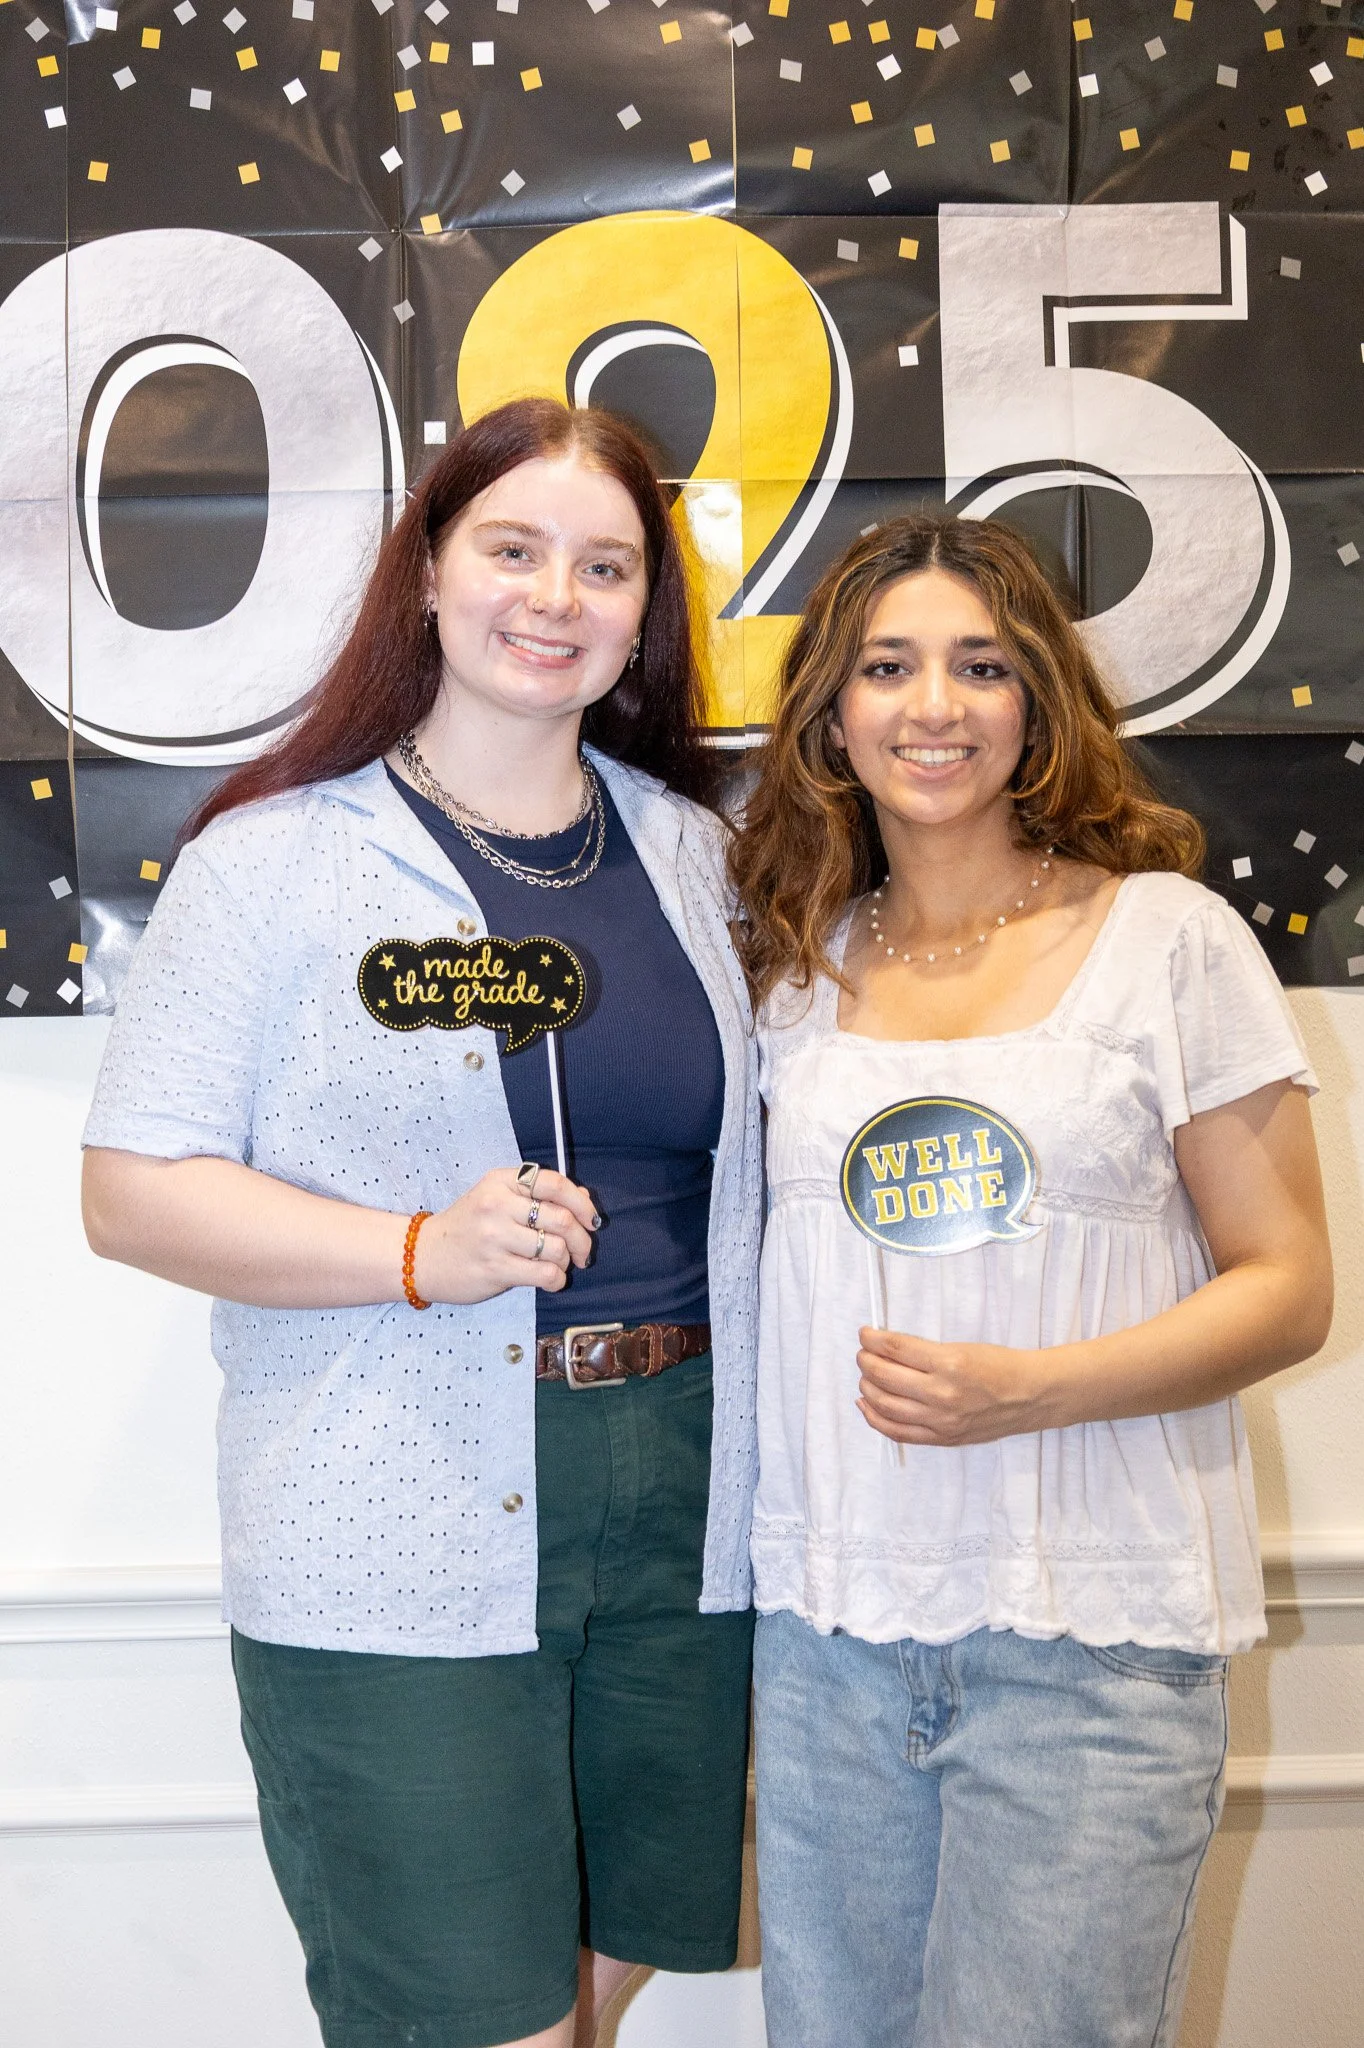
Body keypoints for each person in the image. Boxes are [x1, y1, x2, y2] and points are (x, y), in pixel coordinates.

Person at [81, 398, 762, 2048]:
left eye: (606, 566)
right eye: (512, 549)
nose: (557, 596)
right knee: (478, 2021)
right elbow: (129, 1189)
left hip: (689, 1498)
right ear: (431, 575)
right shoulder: (274, 863)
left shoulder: (695, 851)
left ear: (644, 612)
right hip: (392, 1513)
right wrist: (413, 1254)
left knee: (595, 1986)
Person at [728, 514, 1332, 2048]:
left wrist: (1033, 1391)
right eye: (888, 666)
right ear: (831, 713)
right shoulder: (789, 967)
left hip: (1091, 1647)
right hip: (831, 1647)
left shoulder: (1167, 944)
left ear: (1039, 703)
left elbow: (1288, 1286)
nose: (934, 705)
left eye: (981, 667)